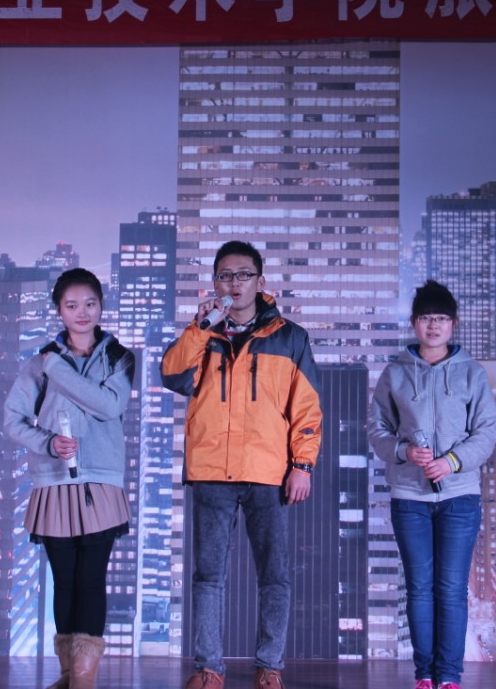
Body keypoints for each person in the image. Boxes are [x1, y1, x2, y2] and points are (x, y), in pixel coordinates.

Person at [162, 240, 322, 689]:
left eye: (243, 274)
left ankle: (269, 668)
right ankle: (209, 668)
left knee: (274, 576)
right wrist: (199, 327)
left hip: (268, 471)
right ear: (215, 283)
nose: (235, 283)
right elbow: (171, 375)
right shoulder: (203, 335)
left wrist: (303, 465)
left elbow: (307, 407)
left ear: (260, 281)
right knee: (207, 577)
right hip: (211, 470)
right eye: (226, 276)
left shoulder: (290, 337)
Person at [3, 268, 135, 689]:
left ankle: (83, 679)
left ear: (101, 306)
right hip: (54, 482)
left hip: (100, 482)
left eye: (90, 303)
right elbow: (12, 420)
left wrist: (58, 369)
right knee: (65, 581)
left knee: (92, 579)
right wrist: (46, 443)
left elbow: (109, 406)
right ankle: (69, 675)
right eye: (72, 305)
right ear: (59, 310)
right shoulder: (38, 364)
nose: (82, 312)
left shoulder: (118, 357)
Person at [367, 280, 496, 689]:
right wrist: (405, 451)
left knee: (452, 589)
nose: (434, 325)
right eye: (426, 318)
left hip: (460, 496)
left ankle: (449, 677)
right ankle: (424, 674)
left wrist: (452, 462)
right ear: (414, 323)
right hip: (410, 497)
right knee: (420, 589)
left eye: (441, 318)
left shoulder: (472, 373)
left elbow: (487, 431)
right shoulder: (395, 373)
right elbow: (377, 430)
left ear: (453, 324)